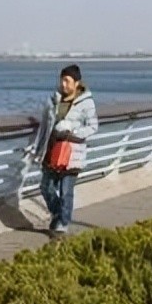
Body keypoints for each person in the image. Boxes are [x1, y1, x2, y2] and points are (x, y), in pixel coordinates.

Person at [29, 64, 98, 238]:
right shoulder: (53, 100)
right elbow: (44, 127)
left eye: (67, 81)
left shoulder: (86, 102)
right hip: (51, 151)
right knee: (46, 187)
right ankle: (58, 215)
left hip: (72, 154)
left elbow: (93, 127)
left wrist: (73, 132)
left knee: (66, 191)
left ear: (76, 83)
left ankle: (62, 226)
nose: (63, 84)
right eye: (62, 80)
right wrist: (36, 149)